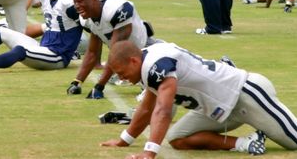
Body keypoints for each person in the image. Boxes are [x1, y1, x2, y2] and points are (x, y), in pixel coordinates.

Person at [101, 40, 297, 157]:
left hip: (244, 94)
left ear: (133, 61)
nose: (121, 78)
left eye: (121, 72)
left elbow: (163, 110)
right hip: (218, 108)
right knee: (177, 138)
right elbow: (147, 108)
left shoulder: (156, 65)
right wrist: (124, 140)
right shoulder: (146, 64)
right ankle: (247, 143)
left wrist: (149, 153)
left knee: (295, 141)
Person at [66, 0, 154, 99]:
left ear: (94, 0)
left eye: (80, 1)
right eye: (75, 2)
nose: (77, 6)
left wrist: (99, 87)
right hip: (125, 57)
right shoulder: (86, 20)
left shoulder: (116, 10)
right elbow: (92, 52)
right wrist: (77, 82)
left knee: (152, 87)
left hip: (145, 51)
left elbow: (115, 54)